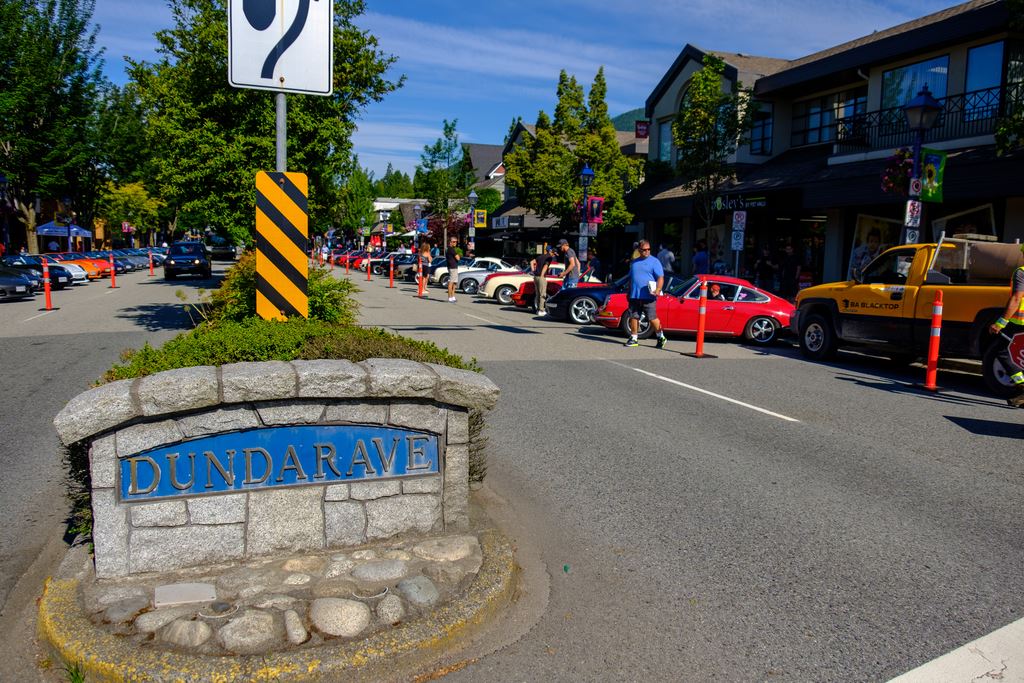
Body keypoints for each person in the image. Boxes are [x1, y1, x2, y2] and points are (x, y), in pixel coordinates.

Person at [989, 245, 1024, 407]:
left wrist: (1000, 323)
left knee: (1000, 350)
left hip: (1019, 323)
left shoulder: (1022, 272)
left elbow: (1017, 299)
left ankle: (1021, 385)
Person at [624, 240, 667, 348]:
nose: (647, 251)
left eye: (649, 249)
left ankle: (660, 336)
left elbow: (660, 277)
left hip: (649, 295)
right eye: (644, 250)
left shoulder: (655, 261)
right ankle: (634, 338)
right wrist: (629, 291)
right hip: (635, 295)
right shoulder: (634, 262)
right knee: (634, 316)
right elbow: (631, 278)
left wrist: (658, 289)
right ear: (639, 250)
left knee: (652, 317)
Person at [533, 246, 556, 314]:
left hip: (536, 277)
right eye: (554, 254)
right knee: (542, 294)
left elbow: (532, 262)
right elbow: (545, 266)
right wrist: (542, 275)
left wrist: (534, 271)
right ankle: (541, 310)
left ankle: (538, 309)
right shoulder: (549, 258)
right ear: (551, 252)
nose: (554, 255)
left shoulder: (540, 256)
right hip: (541, 277)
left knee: (537, 294)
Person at [445, 236, 460, 302]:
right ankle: (449, 297)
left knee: (455, 282)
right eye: (454, 242)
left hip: (453, 267)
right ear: (450, 242)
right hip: (452, 267)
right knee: (451, 282)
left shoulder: (449, 249)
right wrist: (458, 255)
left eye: (456, 242)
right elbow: (458, 258)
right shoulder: (451, 249)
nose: (455, 243)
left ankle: (453, 296)